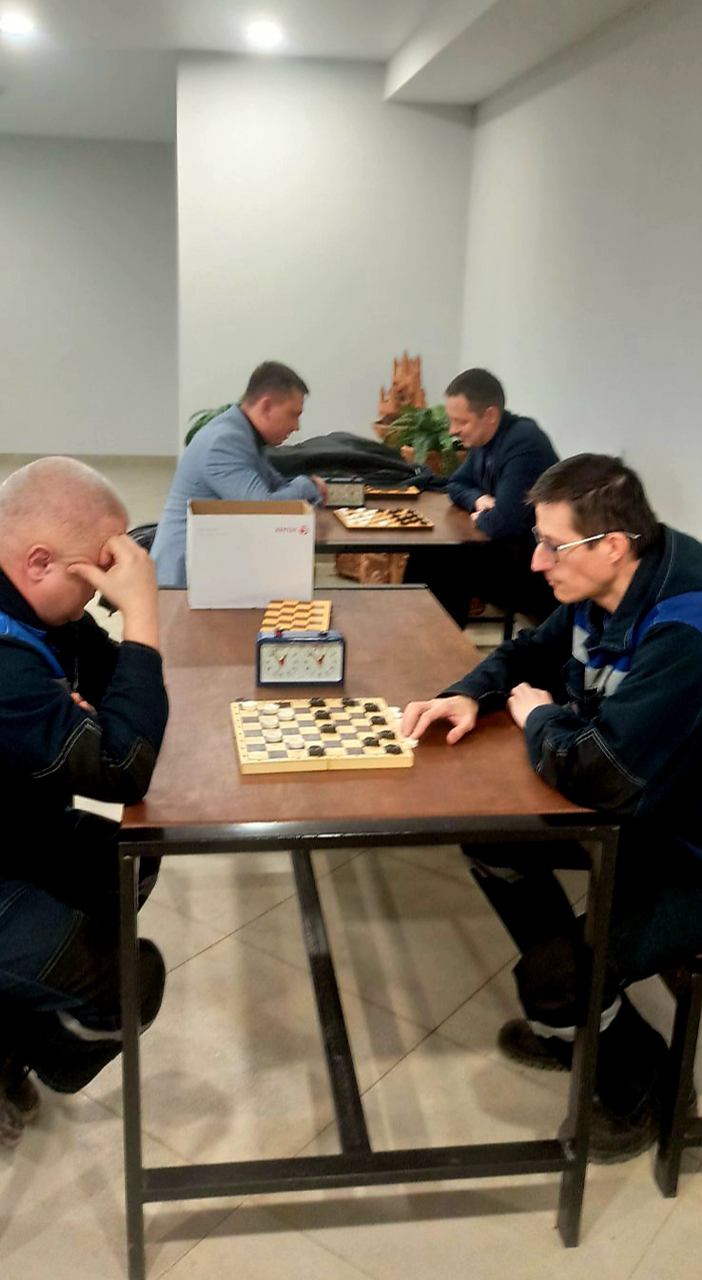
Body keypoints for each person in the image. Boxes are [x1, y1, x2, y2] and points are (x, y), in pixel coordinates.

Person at [403, 453, 702, 1162]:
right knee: (493, 839)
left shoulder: (685, 628)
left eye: (552, 545)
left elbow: (600, 773)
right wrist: (467, 694)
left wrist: (538, 718)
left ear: (613, 545)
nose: (536, 563)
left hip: (688, 846)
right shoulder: (605, 584)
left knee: (553, 981)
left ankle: (643, 1088)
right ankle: (587, 1015)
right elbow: (529, 653)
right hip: (648, 807)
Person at [0, 457, 169, 1148]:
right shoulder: (6, 660)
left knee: (136, 857)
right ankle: (10, 1052)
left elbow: (112, 688)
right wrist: (143, 612)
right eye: (97, 573)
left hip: (19, 824)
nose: (103, 594)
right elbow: (125, 765)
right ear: (39, 561)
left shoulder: (40, 604)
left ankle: (19, 1004)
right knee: (131, 985)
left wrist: (101, 717)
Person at [151, 360, 328, 587]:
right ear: (266, 406)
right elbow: (264, 509)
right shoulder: (224, 441)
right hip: (181, 580)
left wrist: (306, 487)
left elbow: (277, 486)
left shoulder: (243, 434)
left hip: (212, 563)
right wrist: (309, 485)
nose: (296, 426)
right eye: (293, 415)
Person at [404, 368, 558, 626]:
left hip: (535, 567)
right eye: (451, 421)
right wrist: (478, 500)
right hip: (505, 550)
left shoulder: (524, 444)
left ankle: (439, 641)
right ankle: (414, 632)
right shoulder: (484, 439)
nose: (453, 430)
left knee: (446, 562)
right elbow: (456, 484)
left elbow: (502, 524)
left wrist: (481, 517)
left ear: (490, 415)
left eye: (461, 422)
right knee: (428, 552)